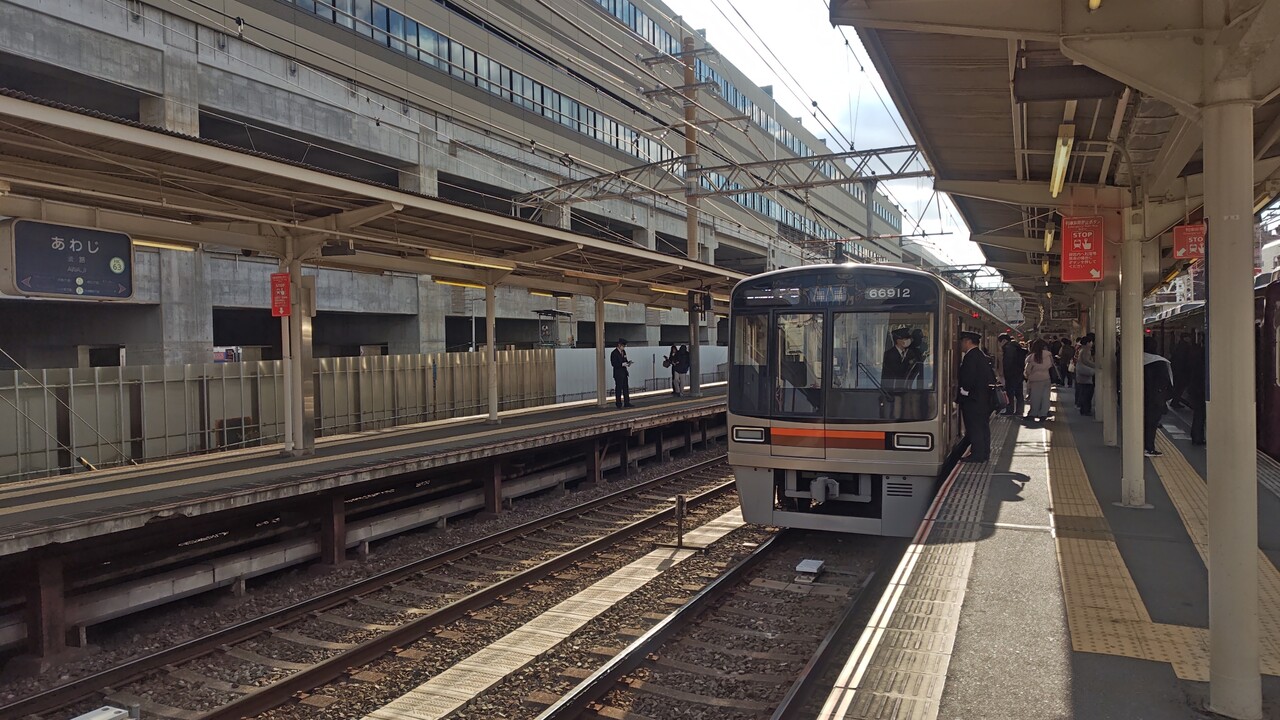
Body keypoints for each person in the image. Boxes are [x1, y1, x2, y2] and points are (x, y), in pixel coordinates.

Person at [957, 331, 996, 462]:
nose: (961, 345)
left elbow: (969, 378)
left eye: (962, 341)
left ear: (967, 341)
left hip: (973, 400)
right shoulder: (980, 355)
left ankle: (977, 455)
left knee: (975, 427)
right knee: (983, 427)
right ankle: (984, 453)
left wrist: (964, 390)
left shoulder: (970, 357)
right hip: (982, 399)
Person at [1143, 337, 1174, 456]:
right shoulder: (1160, 362)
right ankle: (1149, 447)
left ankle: (1141, 444)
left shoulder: (1137, 358)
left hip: (1140, 397)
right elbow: (1166, 381)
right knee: (1152, 424)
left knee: (1143, 422)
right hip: (1155, 398)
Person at [1024, 338, 1055, 421]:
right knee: (1045, 397)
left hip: (1035, 380)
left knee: (1035, 398)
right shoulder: (1048, 355)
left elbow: (1027, 370)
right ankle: (1043, 414)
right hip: (1046, 378)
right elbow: (1051, 365)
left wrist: (1027, 376)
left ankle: (1033, 413)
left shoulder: (1031, 357)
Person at [997, 334, 1026, 417]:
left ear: (1004, 341)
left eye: (999, 342)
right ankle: (1020, 411)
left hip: (1011, 374)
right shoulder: (1017, 346)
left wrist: (1005, 374)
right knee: (1019, 393)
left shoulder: (1008, 348)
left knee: (1010, 393)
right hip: (1019, 373)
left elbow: (1008, 363)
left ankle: (1010, 410)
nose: (999, 345)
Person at [1186, 337, 1206, 445]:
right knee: (1200, 414)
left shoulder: (1196, 354)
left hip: (1196, 388)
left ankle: (1197, 436)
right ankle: (1198, 437)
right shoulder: (1204, 355)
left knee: (1198, 414)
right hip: (1201, 390)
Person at [1169, 333, 1195, 408]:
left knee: (1178, 387)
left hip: (1177, 371)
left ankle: (1175, 401)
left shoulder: (1178, 346)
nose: (1190, 339)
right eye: (1188, 337)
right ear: (1185, 338)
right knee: (1180, 387)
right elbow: (1186, 360)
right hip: (1182, 371)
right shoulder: (1185, 347)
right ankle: (1175, 402)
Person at [1074, 334, 1096, 416]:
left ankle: (1083, 408)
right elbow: (1086, 361)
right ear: (1087, 343)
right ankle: (1085, 410)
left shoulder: (1081, 349)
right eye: (1091, 342)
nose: (1092, 343)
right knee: (1087, 393)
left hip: (1081, 374)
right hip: (1086, 374)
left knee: (1083, 392)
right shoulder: (1086, 350)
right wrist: (1096, 365)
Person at [610, 339, 634, 408]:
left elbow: (625, 360)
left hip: (624, 372)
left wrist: (628, 363)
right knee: (619, 388)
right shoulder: (614, 353)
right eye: (623, 346)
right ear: (619, 345)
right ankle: (618, 403)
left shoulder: (623, 352)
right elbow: (613, 364)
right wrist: (622, 364)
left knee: (625, 388)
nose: (623, 347)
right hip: (618, 373)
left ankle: (627, 402)